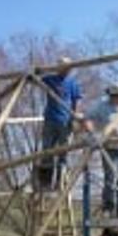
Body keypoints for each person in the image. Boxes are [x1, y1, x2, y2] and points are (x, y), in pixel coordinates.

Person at [84, 82, 118, 218]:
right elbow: (87, 118)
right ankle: (108, 207)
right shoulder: (101, 105)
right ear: (111, 95)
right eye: (115, 96)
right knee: (110, 177)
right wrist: (93, 133)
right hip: (109, 147)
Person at [39, 56, 82, 189]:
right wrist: (36, 70)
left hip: (66, 120)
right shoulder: (50, 79)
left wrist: (74, 119)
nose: (65, 71)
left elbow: (76, 102)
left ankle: (60, 182)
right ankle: (45, 182)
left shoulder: (72, 83)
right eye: (63, 68)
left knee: (64, 153)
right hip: (51, 119)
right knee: (47, 151)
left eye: (67, 68)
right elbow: (35, 78)